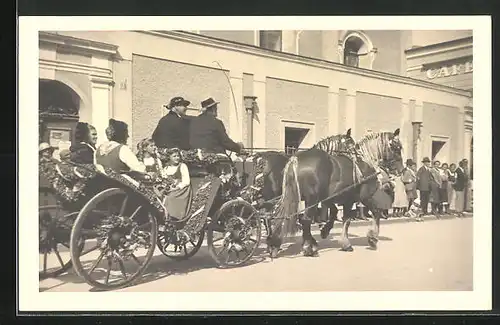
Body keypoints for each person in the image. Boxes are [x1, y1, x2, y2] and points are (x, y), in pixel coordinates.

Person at [161, 148, 192, 220]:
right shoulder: (166, 168)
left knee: (170, 197)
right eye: (174, 156)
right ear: (169, 157)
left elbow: (186, 181)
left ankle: (173, 217)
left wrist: (177, 187)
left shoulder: (182, 166)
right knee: (161, 196)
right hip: (170, 188)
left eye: (178, 156)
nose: (177, 158)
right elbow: (164, 178)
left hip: (182, 190)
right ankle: (163, 216)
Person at [416, 157, 433, 221]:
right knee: (423, 200)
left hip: (428, 187)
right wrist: (418, 186)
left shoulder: (428, 170)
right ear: (424, 163)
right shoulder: (421, 169)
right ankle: (422, 211)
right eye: (427, 162)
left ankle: (425, 210)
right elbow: (418, 177)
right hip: (423, 187)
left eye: (428, 162)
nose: (428, 163)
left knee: (426, 199)